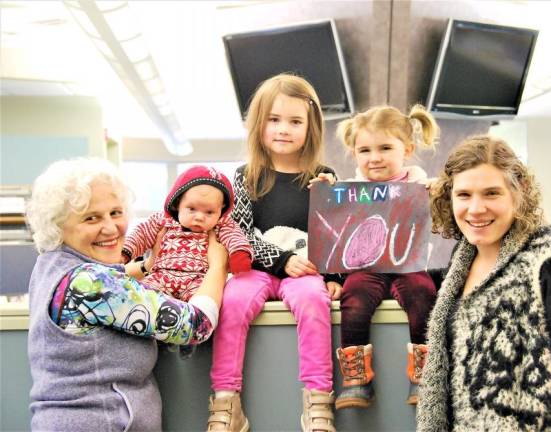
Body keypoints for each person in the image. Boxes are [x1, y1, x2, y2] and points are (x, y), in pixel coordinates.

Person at [26, 158, 228, 431]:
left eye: (116, 212)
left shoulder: (51, 265)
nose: (110, 228)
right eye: (91, 218)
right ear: (59, 225)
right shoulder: (93, 283)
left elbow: (110, 284)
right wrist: (217, 264)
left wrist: (147, 265)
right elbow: (195, 326)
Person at [416, 135, 551, 431]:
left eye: (491, 193)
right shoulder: (461, 263)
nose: (475, 208)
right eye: (464, 195)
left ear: (519, 191)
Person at [206, 74, 340, 432]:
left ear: (310, 127)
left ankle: (318, 402)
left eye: (295, 121)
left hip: (306, 269)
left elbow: (335, 233)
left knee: (314, 302)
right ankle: (225, 402)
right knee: (232, 301)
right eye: (274, 120)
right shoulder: (245, 176)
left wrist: (333, 276)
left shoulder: (323, 176)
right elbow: (240, 232)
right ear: (258, 124)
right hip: (259, 267)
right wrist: (281, 261)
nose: (284, 129)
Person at [309, 104, 440, 409]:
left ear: (406, 149)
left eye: (385, 148)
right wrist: (327, 193)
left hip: (408, 264)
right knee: (354, 295)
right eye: (364, 150)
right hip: (367, 266)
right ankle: (356, 378)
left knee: (423, 292)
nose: (375, 157)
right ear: (354, 154)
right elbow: (333, 228)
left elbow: (441, 224)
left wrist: (438, 193)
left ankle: (425, 374)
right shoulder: (353, 189)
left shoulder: (419, 184)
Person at [122, 165, 253, 357]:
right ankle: (149, 336)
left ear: (221, 212)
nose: (199, 217)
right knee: (143, 297)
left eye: (209, 212)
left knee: (199, 304)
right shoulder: (162, 221)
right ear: (176, 204)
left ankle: (188, 341)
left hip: (197, 280)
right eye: (191, 209)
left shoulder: (221, 226)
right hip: (161, 275)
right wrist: (126, 251)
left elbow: (236, 237)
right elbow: (141, 234)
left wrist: (239, 255)